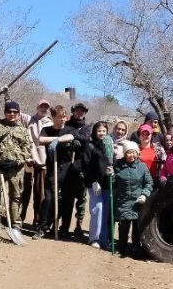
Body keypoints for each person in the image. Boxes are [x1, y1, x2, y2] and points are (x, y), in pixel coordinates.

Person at [0, 101, 31, 232]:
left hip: (16, 169)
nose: (12, 114)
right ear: (5, 113)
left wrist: (17, 161)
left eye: (15, 112)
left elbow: (28, 149)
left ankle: (15, 223)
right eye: (9, 112)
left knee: (16, 196)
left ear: (19, 114)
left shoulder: (24, 130)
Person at [33, 105, 76, 240]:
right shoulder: (47, 129)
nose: (63, 119)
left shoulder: (69, 129)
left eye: (64, 116)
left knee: (67, 200)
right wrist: (54, 139)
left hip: (67, 169)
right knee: (49, 199)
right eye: (60, 117)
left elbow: (70, 136)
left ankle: (63, 229)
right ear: (53, 117)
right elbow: (41, 139)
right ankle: (42, 227)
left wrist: (58, 140)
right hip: (53, 168)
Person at [113, 141, 153, 257]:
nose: (132, 155)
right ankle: (122, 248)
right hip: (123, 200)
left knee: (137, 226)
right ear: (125, 154)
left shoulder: (142, 166)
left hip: (138, 202)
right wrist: (110, 176)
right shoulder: (119, 166)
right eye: (129, 153)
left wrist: (144, 194)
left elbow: (149, 182)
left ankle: (136, 247)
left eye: (134, 153)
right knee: (124, 225)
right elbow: (113, 183)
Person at [81, 121, 114, 249]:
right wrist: (93, 181)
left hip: (107, 183)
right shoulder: (90, 146)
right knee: (97, 209)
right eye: (99, 131)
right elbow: (86, 165)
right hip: (94, 184)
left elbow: (112, 161)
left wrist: (112, 170)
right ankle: (94, 238)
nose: (101, 133)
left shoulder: (109, 145)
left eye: (104, 131)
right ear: (95, 132)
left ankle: (104, 240)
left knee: (105, 211)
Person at [21, 99, 51, 226]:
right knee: (25, 188)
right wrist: (6, 96)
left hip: (42, 161)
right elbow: (15, 110)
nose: (43, 109)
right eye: (41, 106)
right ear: (37, 107)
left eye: (45, 107)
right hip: (29, 159)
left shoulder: (50, 123)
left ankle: (37, 219)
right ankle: (20, 217)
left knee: (40, 192)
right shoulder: (29, 119)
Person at [66, 102, 92, 240]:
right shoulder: (67, 125)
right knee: (66, 197)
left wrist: (75, 137)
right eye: (78, 110)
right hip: (66, 166)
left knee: (81, 199)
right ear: (73, 111)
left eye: (82, 111)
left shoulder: (86, 127)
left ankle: (78, 225)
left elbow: (86, 138)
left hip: (81, 167)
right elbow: (62, 136)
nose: (80, 113)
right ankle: (64, 225)